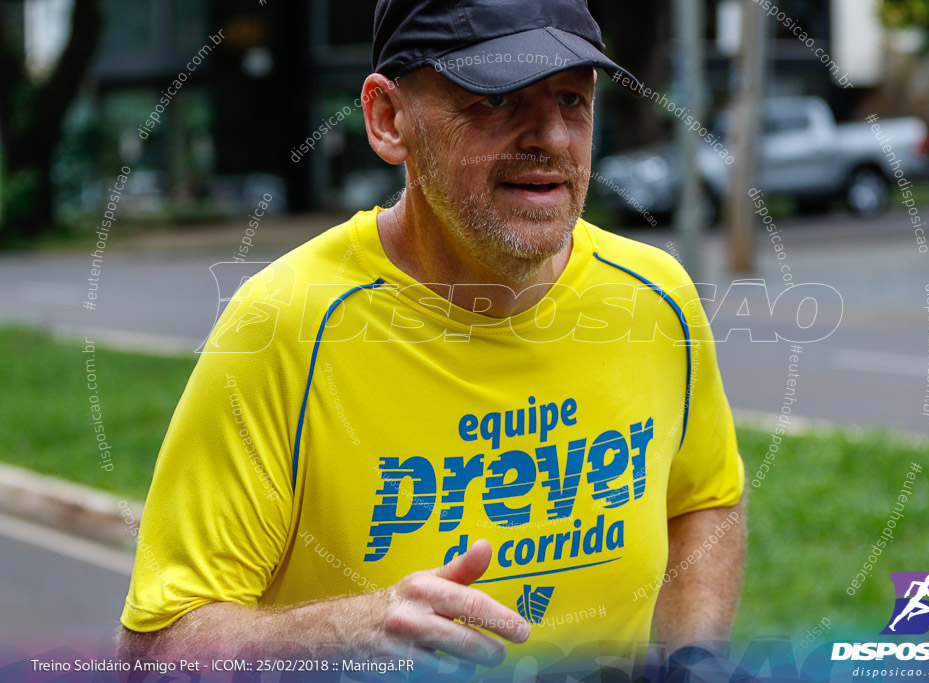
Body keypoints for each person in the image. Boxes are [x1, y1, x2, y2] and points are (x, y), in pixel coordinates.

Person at [117, 0, 746, 676]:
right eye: (498, 99)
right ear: (390, 120)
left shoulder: (656, 296)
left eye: (571, 97)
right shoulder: (285, 322)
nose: (553, 137)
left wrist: (693, 655)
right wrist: (339, 631)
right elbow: (153, 648)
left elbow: (704, 499)